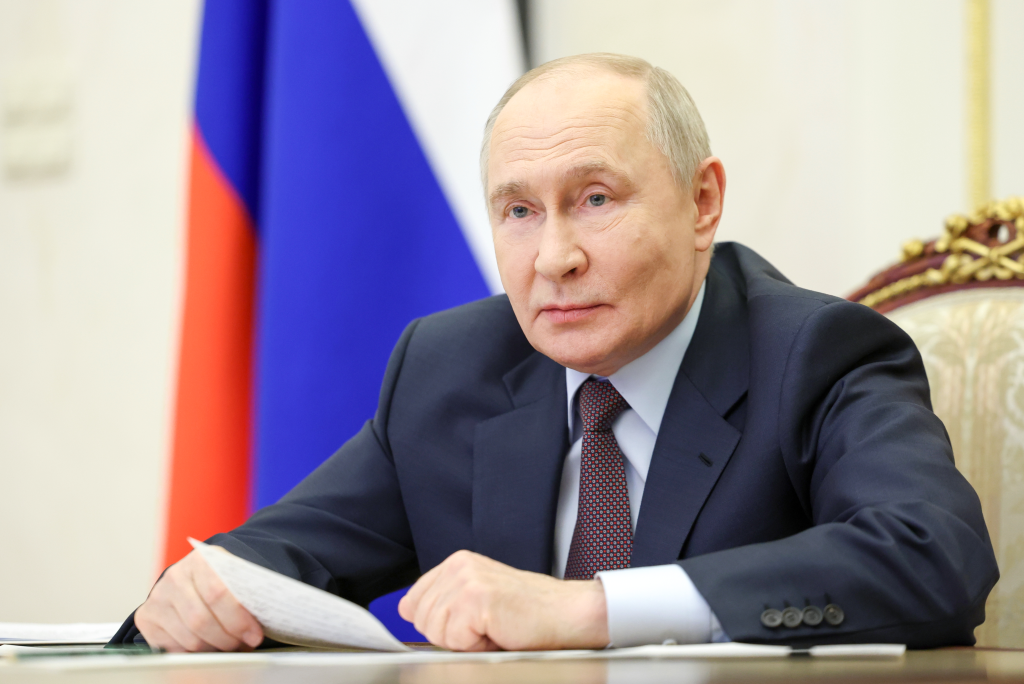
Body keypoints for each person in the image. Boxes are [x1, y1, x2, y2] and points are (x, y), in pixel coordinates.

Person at [113, 53, 998, 653]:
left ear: (702, 203)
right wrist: (197, 589)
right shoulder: (448, 367)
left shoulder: (816, 354)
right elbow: (278, 560)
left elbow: (934, 557)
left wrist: (591, 608)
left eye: (597, 198)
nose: (554, 258)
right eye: (520, 212)